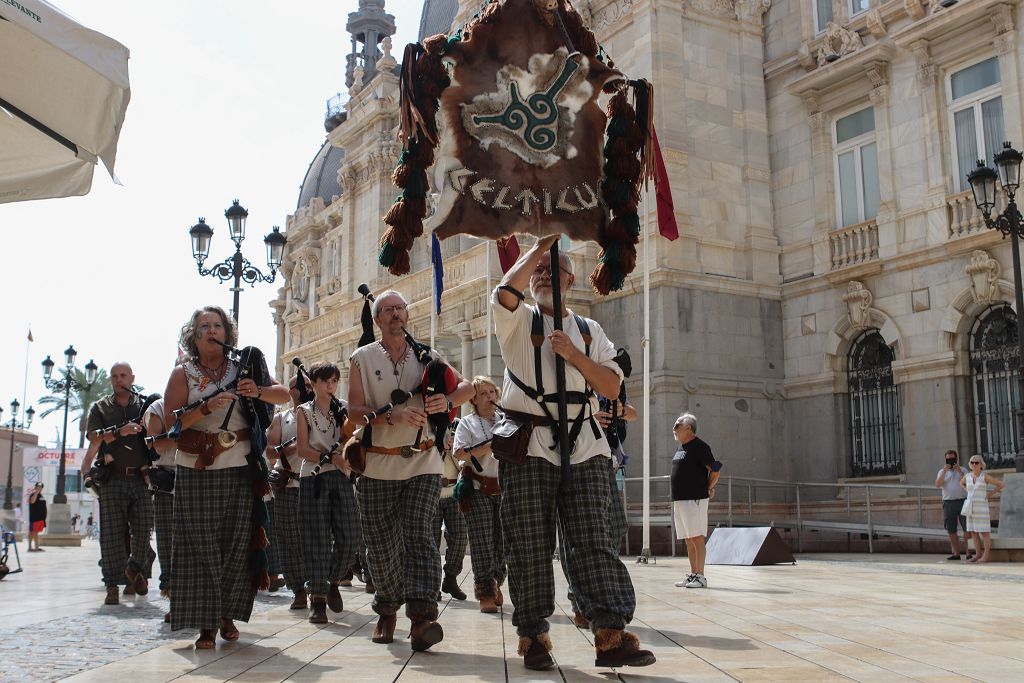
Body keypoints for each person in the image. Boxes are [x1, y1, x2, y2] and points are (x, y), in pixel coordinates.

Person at [493, 235, 655, 670]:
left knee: (593, 539)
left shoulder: (588, 330)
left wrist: (574, 355)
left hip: (584, 444)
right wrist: (538, 248)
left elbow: (611, 386)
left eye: (553, 270)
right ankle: (534, 637)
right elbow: (504, 291)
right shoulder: (516, 319)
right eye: (538, 271)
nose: (544, 277)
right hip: (529, 446)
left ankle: (610, 634)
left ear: (571, 277)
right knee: (528, 543)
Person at [348, 289, 473, 651]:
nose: (394, 314)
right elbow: (353, 412)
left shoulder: (427, 356)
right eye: (386, 310)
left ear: (407, 314)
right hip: (376, 463)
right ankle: (387, 608)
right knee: (382, 545)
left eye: (399, 308)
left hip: (422, 461)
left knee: (420, 534)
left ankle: (422, 617)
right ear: (377, 320)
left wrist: (446, 400)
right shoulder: (362, 357)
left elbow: (465, 387)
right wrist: (391, 415)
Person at [164, 305, 289, 649]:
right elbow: (168, 424)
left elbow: (284, 395)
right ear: (193, 335)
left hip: (240, 467)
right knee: (198, 545)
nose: (211, 330)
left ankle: (226, 615)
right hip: (196, 467)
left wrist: (256, 391)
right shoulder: (183, 374)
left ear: (227, 333)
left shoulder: (243, 366)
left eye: (217, 325)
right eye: (204, 326)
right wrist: (206, 407)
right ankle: (204, 623)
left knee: (235, 544)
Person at [82, 362, 155, 606]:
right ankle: (112, 585)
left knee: (144, 530)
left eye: (123, 375)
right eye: (114, 376)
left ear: (132, 378)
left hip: (141, 478)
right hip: (113, 479)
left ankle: (135, 570)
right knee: (112, 535)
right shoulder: (100, 407)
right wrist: (118, 432)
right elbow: (93, 437)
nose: (118, 379)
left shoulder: (145, 406)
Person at [295, 362, 359, 625]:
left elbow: (353, 437)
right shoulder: (304, 411)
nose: (331, 386)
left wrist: (347, 451)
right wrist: (328, 455)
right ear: (313, 383)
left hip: (341, 476)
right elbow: (301, 449)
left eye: (334, 380)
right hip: (314, 476)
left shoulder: (343, 408)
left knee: (352, 534)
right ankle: (318, 598)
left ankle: (333, 579)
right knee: (317, 539)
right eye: (325, 381)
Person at [452, 378, 505, 613]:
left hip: (504, 488)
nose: (489, 396)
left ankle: (496, 582)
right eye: (483, 393)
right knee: (482, 541)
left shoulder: (506, 420)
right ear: (473, 399)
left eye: (492, 391)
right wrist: (488, 447)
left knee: (502, 541)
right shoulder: (467, 423)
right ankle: (485, 592)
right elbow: (459, 454)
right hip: (477, 488)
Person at [265, 378, 307, 612]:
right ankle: (299, 589)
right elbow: (271, 451)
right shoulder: (282, 418)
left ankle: (322, 584)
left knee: (316, 538)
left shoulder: (325, 414)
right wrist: (293, 447)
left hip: (315, 484)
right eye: (303, 386)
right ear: (292, 392)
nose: (307, 389)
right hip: (289, 484)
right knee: (289, 540)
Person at [671, 412, 719, 589]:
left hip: (695, 499)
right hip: (680, 500)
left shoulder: (700, 447)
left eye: (677, 425)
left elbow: (715, 469)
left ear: (688, 428)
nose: (674, 429)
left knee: (697, 537)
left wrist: (708, 487)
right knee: (688, 539)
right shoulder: (681, 448)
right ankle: (693, 575)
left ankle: (701, 576)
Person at [144, 396, 177, 621]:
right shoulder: (158, 408)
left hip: (198, 474)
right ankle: (175, 599)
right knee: (167, 544)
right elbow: (154, 442)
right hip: (168, 480)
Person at [436, 419, 468, 602]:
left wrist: (453, 449)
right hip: (432, 491)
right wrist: (441, 447)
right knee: (430, 540)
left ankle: (451, 577)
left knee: (459, 537)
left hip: (454, 491)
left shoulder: (458, 425)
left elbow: (463, 463)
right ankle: (432, 583)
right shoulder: (431, 424)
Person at [961, 455, 1006, 563]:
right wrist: (967, 491)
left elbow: (1001, 484)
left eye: (976, 463)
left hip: (982, 507)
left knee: (984, 532)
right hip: (971, 507)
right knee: (973, 532)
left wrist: (990, 494)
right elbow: (961, 483)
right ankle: (977, 555)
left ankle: (986, 556)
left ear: (981, 465)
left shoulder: (985, 476)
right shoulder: (967, 476)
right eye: (972, 463)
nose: (974, 465)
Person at [935, 449, 969, 560]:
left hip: (963, 501)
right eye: (948, 459)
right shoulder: (941, 472)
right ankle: (956, 553)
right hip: (948, 502)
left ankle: (969, 553)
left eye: (952, 459)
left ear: (956, 459)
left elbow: (967, 483)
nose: (950, 461)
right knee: (951, 529)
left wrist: (959, 471)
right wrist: (945, 471)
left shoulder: (963, 470)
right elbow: (938, 485)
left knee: (966, 528)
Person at [27, 483, 46, 551]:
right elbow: (32, 501)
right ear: (35, 487)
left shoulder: (41, 496)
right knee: (33, 532)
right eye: (38, 487)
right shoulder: (33, 495)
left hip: (41, 518)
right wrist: (36, 493)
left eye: (40, 487)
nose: (39, 488)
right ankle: (34, 547)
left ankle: (35, 547)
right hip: (35, 518)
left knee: (35, 532)